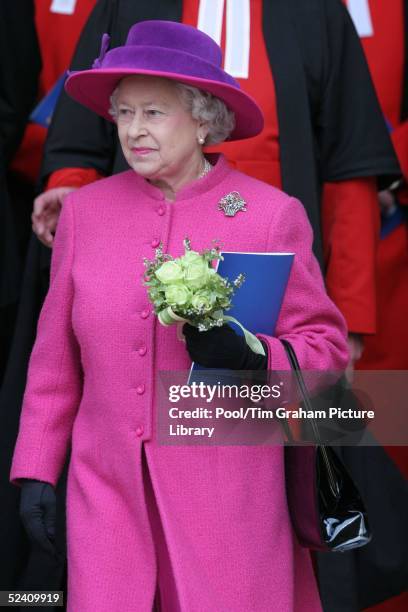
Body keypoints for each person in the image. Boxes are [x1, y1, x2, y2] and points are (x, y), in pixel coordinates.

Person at [10, 21, 349, 611]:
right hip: (106, 496)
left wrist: (253, 354)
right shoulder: (86, 215)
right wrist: (37, 470)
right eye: (123, 114)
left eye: (154, 113)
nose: (134, 132)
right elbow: (53, 364)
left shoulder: (270, 215)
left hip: (230, 506)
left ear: (202, 119)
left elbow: (327, 356)